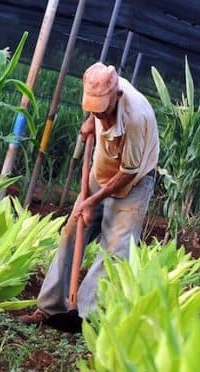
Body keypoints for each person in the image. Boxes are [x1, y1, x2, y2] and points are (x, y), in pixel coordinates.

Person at [22, 62, 159, 326]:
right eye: (93, 111)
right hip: (101, 170)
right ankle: (50, 307)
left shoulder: (136, 116)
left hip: (135, 180)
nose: (101, 117)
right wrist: (90, 122)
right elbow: (97, 111)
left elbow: (127, 172)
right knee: (71, 231)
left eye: (103, 111)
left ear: (116, 97)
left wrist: (90, 201)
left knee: (116, 249)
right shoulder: (100, 99)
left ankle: (85, 316)